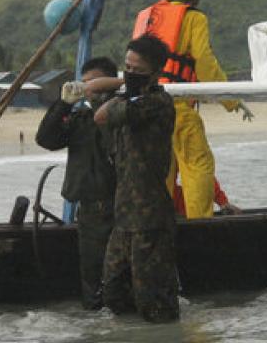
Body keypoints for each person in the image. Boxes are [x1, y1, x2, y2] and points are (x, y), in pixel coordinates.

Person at [132, 0, 253, 219]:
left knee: (161, 170)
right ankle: (200, 224)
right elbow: (204, 59)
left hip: (145, 108)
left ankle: (159, 221)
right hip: (179, 108)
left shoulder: (147, 18)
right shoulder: (194, 17)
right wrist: (229, 99)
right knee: (198, 166)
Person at [93, 36, 179, 322]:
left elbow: (103, 116)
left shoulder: (156, 102)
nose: (129, 73)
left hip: (150, 218)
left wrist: (123, 89)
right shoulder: (131, 96)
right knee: (114, 290)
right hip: (124, 215)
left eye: (137, 70)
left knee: (153, 300)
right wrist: (126, 85)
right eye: (126, 67)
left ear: (154, 73)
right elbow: (96, 98)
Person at [35, 57, 118, 310]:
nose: (87, 88)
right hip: (91, 210)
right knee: (93, 279)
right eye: (84, 83)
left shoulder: (122, 113)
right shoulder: (80, 118)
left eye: (93, 82)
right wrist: (63, 104)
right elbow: (46, 139)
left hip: (120, 207)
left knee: (118, 276)